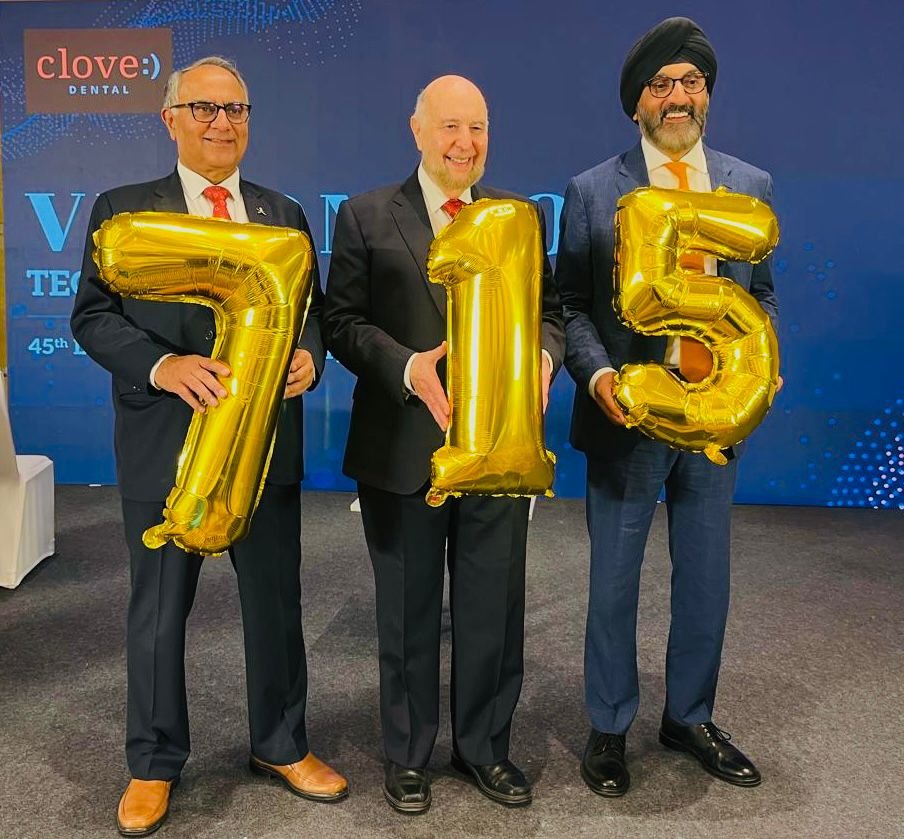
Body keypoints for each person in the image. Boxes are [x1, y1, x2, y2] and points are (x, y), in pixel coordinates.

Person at [70, 56, 346, 837]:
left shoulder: (283, 213)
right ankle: (153, 763)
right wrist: (164, 366)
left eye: (236, 109)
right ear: (170, 119)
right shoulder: (124, 209)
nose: (222, 123)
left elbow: (313, 311)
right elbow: (92, 316)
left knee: (276, 602)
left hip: (263, 449)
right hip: (166, 443)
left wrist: (310, 355)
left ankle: (282, 743)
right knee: (159, 610)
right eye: (203, 108)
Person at [324, 75, 564, 814]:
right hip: (403, 447)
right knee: (407, 610)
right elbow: (341, 322)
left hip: (499, 451)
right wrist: (407, 367)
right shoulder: (367, 215)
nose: (465, 143)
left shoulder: (518, 217)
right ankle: (407, 754)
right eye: (451, 127)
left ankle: (485, 747)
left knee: (494, 607)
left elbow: (551, 310)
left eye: (478, 128)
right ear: (418, 131)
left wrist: (545, 355)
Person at [555, 18, 778, 797]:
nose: (677, 97)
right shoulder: (593, 191)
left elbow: (762, 294)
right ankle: (609, 724)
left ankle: (690, 716)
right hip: (631, 415)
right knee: (614, 581)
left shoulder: (749, 186)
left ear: (707, 95)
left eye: (691, 82)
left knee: (706, 580)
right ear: (637, 104)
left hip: (714, 418)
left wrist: (761, 360)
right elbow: (571, 306)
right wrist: (597, 378)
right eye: (660, 85)